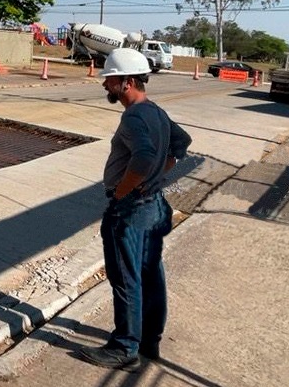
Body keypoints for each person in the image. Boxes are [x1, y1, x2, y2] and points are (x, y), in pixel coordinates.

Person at [77, 48, 192, 371]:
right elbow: (181, 143)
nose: (105, 85)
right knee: (150, 273)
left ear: (126, 82)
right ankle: (148, 341)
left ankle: (125, 347)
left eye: (110, 80)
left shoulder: (134, 117)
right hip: (153, 204)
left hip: (131, 209)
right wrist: (158, 173)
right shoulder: (156, 112)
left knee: (126, 277)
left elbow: (141, 158)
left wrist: (123, 192)